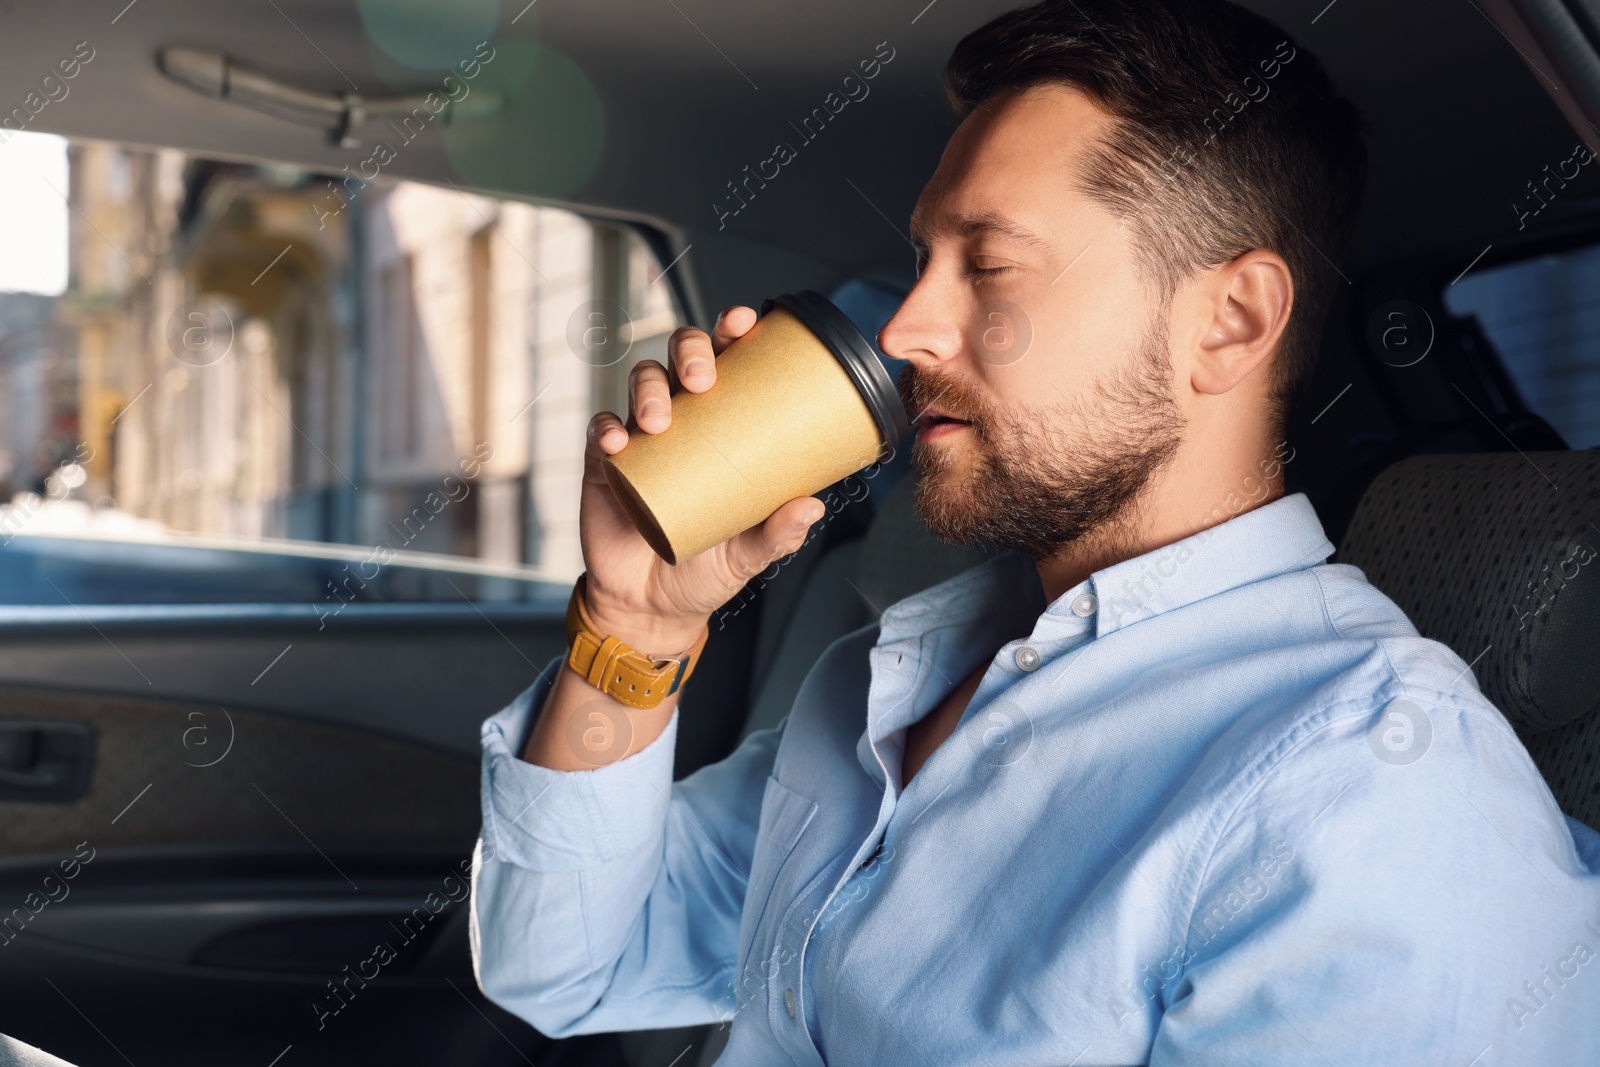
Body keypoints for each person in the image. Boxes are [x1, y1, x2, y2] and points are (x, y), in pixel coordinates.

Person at [470, 0, 1600, 1062]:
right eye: (922, 264)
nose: (906, 328)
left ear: (1230, 321)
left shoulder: (1375, 791)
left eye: (989, 265)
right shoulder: (876, 680)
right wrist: (635, 626)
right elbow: (563, 966)